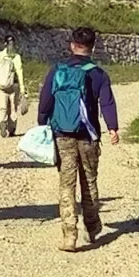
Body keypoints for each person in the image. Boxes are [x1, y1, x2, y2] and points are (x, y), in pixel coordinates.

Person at [36, 26, 119, 252]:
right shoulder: (99, 74)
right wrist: (113, 128)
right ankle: (92, 228)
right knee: (89, 181)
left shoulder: (58, 70)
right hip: (88, 135)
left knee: (67, 183)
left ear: (72, 45)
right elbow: (107, 103)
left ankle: (69, 235)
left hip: (62, 134)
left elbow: (45, 101)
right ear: (93, 47)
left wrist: (42, 123)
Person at [0, 33, 28, 138]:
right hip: (13, 86)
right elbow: (19, 73)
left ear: (4, 44)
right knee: (13, 108)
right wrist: (22, 89)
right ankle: (11, 129)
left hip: (0, 86)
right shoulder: (16, 57)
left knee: (1, 108)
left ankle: (1, 123)